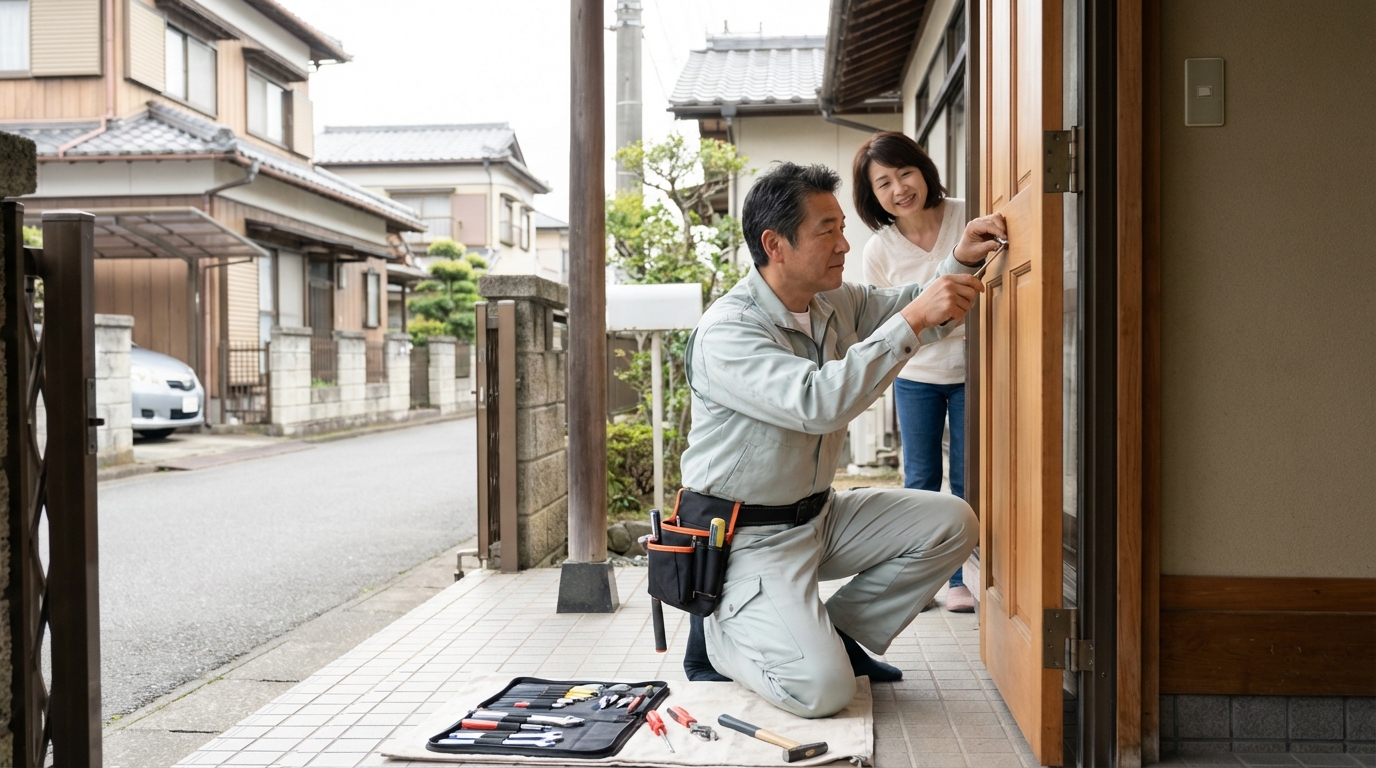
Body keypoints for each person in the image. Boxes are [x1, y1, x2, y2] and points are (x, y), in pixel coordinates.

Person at [677, 162, 1005, 718]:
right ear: (773, 244)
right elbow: (816, 403)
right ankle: (718, 639)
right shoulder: (728, 331)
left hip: (818, 518)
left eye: (842, 228)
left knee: (953, 521)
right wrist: (910, 321)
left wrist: (964, 259)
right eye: (826, 231)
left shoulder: (834, 303)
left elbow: (915, 304)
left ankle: (837, 637)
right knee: (822, 692)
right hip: (747, 538)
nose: (845, 244)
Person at [854, 131, 976, 613]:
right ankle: (921, 580)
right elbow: (887, 323)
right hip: (917, 376)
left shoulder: (967, 216)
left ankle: (959, 582)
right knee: (920, 481)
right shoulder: (878, 250)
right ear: (873, 197)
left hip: (974, 371)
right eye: (883, 183)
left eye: (905, 172)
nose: (899, 188)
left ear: (923, 170)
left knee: (968, 480)